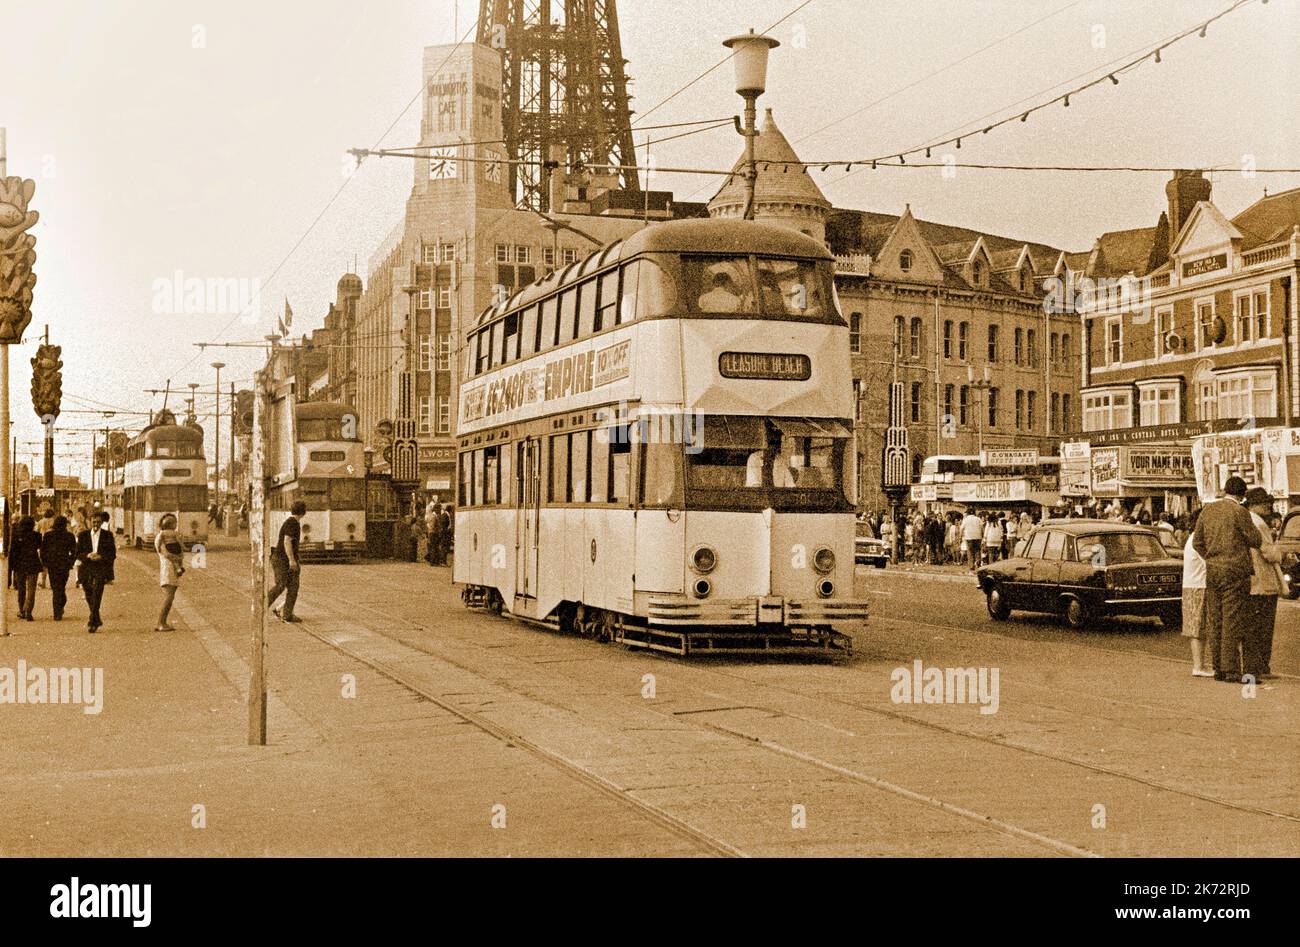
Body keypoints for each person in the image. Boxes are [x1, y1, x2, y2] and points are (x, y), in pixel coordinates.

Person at [1192, 476, 1261, 683]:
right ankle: (1231, 669)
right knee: (1232, 619)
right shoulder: (1240, 512)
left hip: (1213, 572)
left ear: (1225, 490)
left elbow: (1197, 542)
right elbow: (1255, 540)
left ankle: (1218, 668)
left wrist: (1212, 558)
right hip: (1235, 572)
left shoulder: (1208, 510)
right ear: (1242, 495)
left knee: (1216, 619)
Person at [1242, 487, 1284, 680]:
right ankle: (1260, 667)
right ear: (1254, 505)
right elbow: (1268, 552)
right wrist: (1281, 553)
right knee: (1263, 628)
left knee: (1254, 626)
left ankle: (1258, 666)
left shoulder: (1245, 520)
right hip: (1263, 581)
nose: (1269, 506)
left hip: (1252, 580)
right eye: (1264, 503)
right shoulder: (1258, 523)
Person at [1180, 508, 1214, 678]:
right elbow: (1210, 561)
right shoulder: (1198, 540)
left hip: (1192, 585)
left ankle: (1199, 665)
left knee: (1197, 627)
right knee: (1199, 628)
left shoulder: (1192, 538)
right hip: (1199, 586)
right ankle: (1199, 666)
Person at [75, 511, 117, 633]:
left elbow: (112, 554)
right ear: (90, 522)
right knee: (88, 592)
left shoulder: (107, 535)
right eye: (94, 522)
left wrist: (101, 556)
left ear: (101, 523)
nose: (96, 524)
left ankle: (92, 621)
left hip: (100, 567)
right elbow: (77, 553)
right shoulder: (83, 535)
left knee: (97, 592)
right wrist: (88, 555)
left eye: (98, 522)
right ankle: (96, 617)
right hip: (86, 566)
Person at [267, 500, 305, 623]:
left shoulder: (293, 522)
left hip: (283, 558)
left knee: (293, 586)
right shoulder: (292, 523)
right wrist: (292, 561)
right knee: (280, 585)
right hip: (281, 559)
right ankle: (260, 607)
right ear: (304, 512)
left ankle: (287, 614)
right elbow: (287, 541)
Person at [40, 515, 77, 622]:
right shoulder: (69, 536)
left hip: (52, 565)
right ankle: (59, 609)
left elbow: (43, 551)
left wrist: (45, 562)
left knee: (55, 588)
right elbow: (74, 551)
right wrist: (70, 562)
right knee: (61, 587)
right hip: (64, 565)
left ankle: (57, 612)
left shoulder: (48, 536)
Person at [154, 513, 185, 632]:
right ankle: (161, 623)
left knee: (170, 596)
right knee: (169, 596)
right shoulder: (160, 538)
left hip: (171, 569)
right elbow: (166, 553)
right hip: (167, 569)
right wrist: (178, 559)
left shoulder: (167, 536)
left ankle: (162, 622)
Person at [10, 516, 43, 621]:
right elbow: (39, 547)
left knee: (21, 588)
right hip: (33, 563)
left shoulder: (16, 536)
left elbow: (13, 551)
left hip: (20, 565)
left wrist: (12, 566)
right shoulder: (37, 536)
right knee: (31, 589)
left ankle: (21, 610)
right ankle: (28, 611)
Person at [35, 508, 55, 588]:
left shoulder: (40, 522)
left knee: (44, 563)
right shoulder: (54, 521)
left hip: (43, 544)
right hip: (52, 544)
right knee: (52, 563)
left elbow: (37, 532)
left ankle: (43, 582)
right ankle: (52, 583)